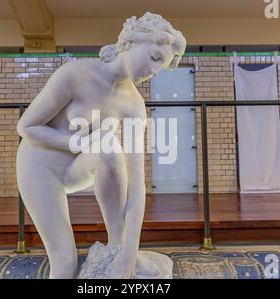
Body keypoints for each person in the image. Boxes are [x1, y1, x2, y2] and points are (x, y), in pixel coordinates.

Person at [16, 12, 186, 278]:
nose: (154, 71)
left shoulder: (133, 104)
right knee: (65, 263)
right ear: (132, 43)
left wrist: (129, 254)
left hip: (78, 167)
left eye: (160, 68)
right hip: (40, 164)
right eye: (154, 58)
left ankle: (116, 246)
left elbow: (136, 182)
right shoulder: (75, 74)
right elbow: (27, 127)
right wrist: (76, 142)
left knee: (109, 147)